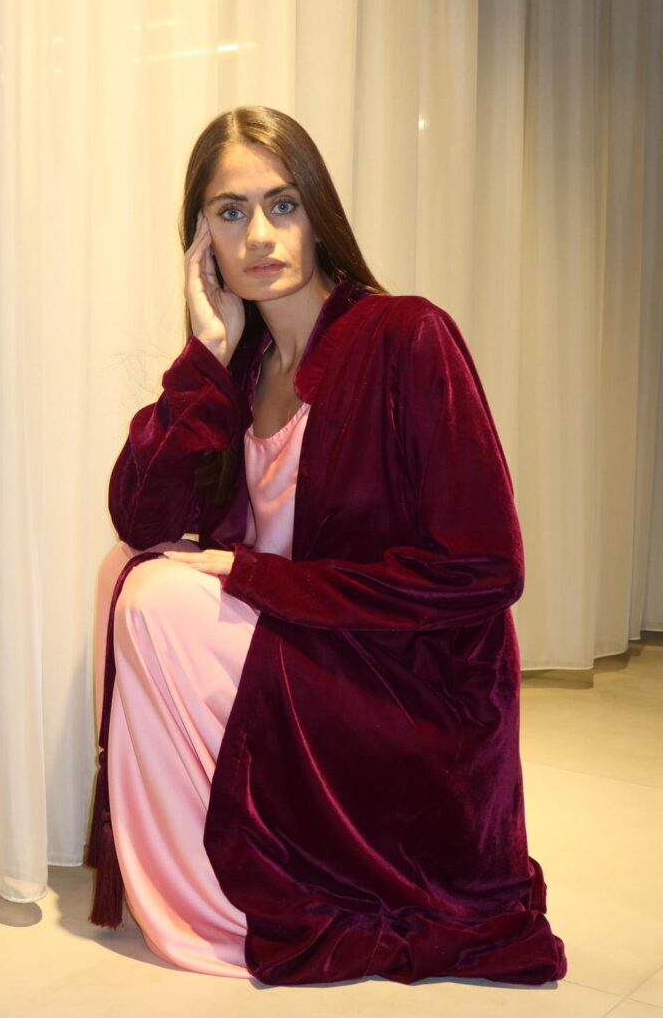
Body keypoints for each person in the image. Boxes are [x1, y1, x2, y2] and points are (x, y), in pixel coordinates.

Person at [88, 105, 567, 987]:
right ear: (200, 240)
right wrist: (203, 357)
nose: (259, 235)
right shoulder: (240, 369)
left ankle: (236, 906)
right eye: (230, 212)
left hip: (406, 686)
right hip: (309, 659)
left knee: (155, 598)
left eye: (283, 204)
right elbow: (139, 515)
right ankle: (226, 878)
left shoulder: (405, 335)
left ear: (319, 213)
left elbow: (487, 567)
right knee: (129, 571)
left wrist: (259, 578)